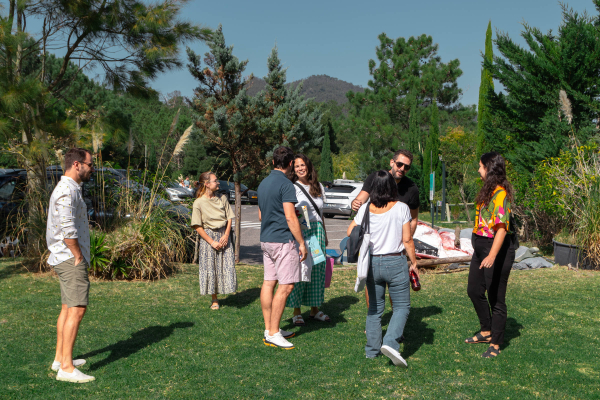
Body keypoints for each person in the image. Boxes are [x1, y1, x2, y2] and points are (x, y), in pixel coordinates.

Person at [347, 170, 419, 367]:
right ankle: (390, 342)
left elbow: (350, 231)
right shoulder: (401, 208)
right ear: (391, 187)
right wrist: (413, 262)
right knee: (402, 306)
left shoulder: (365, 209)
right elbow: (407, 239)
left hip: (372, 263)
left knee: (375, 309)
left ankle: (371, 351)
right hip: (395, 262)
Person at [46, 148, 95, 383]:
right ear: (77, 164)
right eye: (90, 164)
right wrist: (77, 255)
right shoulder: (66, 189)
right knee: (77, 308)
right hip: (69, 257)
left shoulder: (72, 188)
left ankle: (60, 359)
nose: (91, 169)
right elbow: (67, 228)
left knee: (67, 307)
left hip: (66, 257)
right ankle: (66, 368)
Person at [351, 149, 420, 310]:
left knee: (396, 289)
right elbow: (361, 199)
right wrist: (355, 203)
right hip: (373, 247)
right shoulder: (377, 178)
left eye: (407, 167)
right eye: (399, 164)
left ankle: (395, 322)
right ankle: (373, 318)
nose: (402, 168)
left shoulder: (411, 188)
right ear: (392, 162)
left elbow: (414, 219)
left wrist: (406, 241)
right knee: (373, 289)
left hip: (396, 249)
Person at [465, 152, 516, 358]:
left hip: (496, 249)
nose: (478, 170)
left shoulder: (501, 194)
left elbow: (502, 228)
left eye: (480, 166)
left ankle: (495, 342)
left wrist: (492, 256)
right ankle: (486, 330)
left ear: (490, 168)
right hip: (481, 248)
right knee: (474, 290)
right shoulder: (488, 190)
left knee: (496, 298)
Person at [258, 146, 308, 350]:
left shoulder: (262, 183)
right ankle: (273, 333)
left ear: (272, 162)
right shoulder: (287, 185)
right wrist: (302, 243)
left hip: (266, 239)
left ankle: (269, 328)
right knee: (286, 286)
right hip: (282, 240)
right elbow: (290, 216)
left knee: (269, 282)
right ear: (290, 164)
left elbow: (261, 215)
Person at [285, 154, 330, 326]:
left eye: (303, 165)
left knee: (318, 271)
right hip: (301, 232)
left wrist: (324, 234)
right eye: (297, 166)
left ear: (309, 166)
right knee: (301, 270)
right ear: (293, 169)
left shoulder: (318, 186)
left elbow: (321, 214)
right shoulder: (291, 187)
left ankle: (314, 309)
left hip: (316, 232)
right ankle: (296, 311)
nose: (300, 168)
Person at [191, 172, 236, 310]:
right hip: (208, 237)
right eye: (215, 181)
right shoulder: (198, 202)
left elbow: (229, 217)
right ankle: (214, 299)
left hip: (223, 235)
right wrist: (211, 242)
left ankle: (226, 289)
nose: (218, 183)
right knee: (210, 269)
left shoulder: (222, 198)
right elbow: (198, 226)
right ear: (207, 184)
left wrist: (226, 235)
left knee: (226, 266)